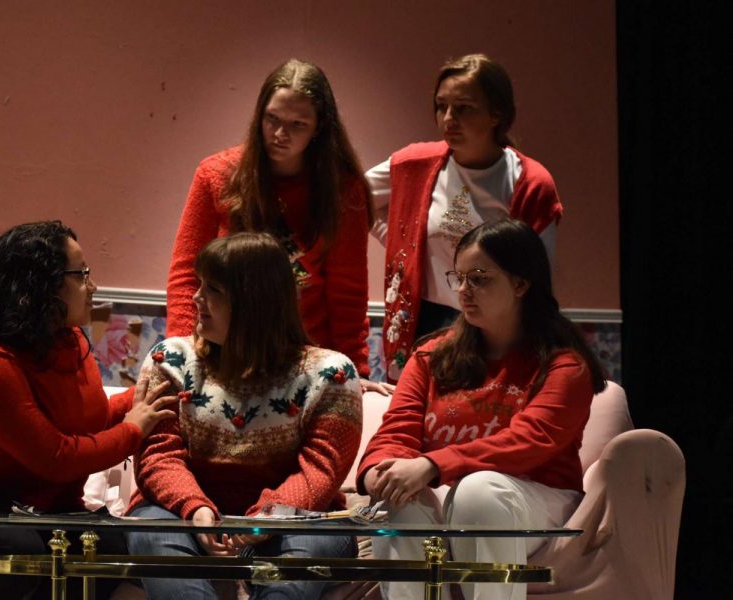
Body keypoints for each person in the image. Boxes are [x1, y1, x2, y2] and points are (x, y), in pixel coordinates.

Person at [0, 221, 178, 600]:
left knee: (115, 543)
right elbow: (56, 458)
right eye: (81, 275)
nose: (93, 287)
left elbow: (88, 419)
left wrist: (149, 395)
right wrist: (134, 429)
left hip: (29, 505)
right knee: (16, 548)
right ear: (40, 284)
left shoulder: (67, 339)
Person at [357, 219, 606, 600]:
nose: (463, 291)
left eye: (479, 278)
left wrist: (433, 464)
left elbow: (532, 440)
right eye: (458, 278)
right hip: (448, 491)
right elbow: (397, 429)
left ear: (521, 285)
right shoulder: (432, 355)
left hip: (538, 498)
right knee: (399, 500)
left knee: (480, 490)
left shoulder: (565, 365)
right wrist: (381, 470)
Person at [127, 232, 363, 599]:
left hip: (294, 518)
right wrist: (195, 509)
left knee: (305, 551)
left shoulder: (330, 373)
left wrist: (265, 518)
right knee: (154, 534)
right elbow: (158, 455)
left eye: (214, 290)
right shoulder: (169, 360)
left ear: (255, 302)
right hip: (179, 510)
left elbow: (320, 469)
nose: (196, 298)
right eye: (199, 284)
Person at [165, 57, 377, 388]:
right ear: (259, 115)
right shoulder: (217, 174)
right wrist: (183, 351)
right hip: (224, 352)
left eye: (297, 124)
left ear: (319, 127)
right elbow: (187, 273)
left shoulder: (342, 188)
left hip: (305, 358)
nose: (280, 134)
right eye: (272, 119)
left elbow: (348, 292)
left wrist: (354, 371)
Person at [366, 54, 564, 381]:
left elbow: (539, 281)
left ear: (496, 114)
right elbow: (350, 197)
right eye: (441, 106)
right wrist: (399, 243)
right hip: (423, 321)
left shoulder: (528, 182)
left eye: (464, 108)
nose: (448, 119)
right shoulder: (416, 163)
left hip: (496, 328)